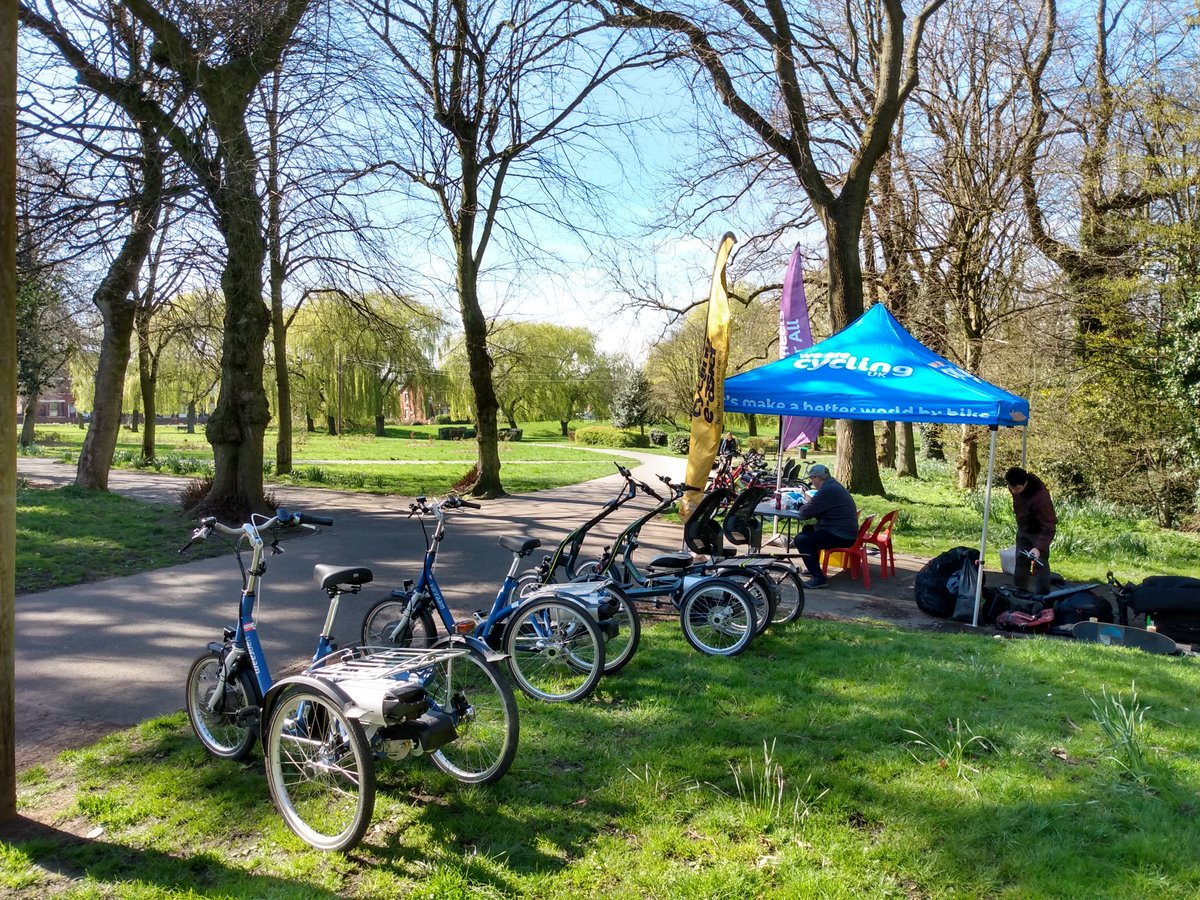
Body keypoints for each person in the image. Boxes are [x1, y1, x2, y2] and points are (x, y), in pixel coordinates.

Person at [791, 463, 859, 589]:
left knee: (802, 540)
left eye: (811, 479)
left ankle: (819, 578)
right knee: (807, 530)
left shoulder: (827, 490)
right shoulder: (833, 486)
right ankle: (814, 569)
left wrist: (801, 506)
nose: (811, 483)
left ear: (817, 478)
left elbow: (805, 512)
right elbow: (815, 509)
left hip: (841, 534)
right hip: (843, 530)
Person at [1004, 466, 1056, 595]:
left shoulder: (1041, 499)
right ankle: (1019, 593)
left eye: (1017, 489)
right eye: (1011, 488)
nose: (1014, 491)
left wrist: (1039, 548)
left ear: (1026, 483)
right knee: (1021, 560)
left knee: (1040, 564)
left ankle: (1043, 597)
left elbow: (1049, 527)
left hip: (1040, 531)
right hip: (1023, 529)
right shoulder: (1014, 487)